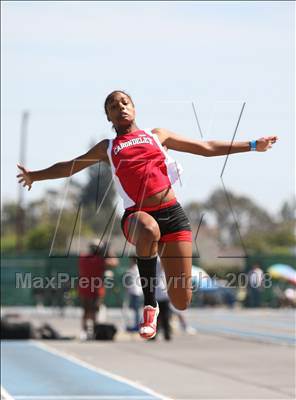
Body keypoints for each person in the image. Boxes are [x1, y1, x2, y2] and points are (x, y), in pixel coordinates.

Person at [17, 90, 278, 340]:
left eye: (124, 102)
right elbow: (70, 166)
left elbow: (206, 147)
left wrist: (253, 144)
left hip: (173, 216)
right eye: (112, 106)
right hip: (137, 216)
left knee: (181, 300)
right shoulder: (107, 148)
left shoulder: (157, 136)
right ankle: (149, 305)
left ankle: (163, 301)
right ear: (108, 117)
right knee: (149, 228)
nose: (120, 107)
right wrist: (35, 176)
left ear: (133, 108)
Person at [78, 241, 118, 340]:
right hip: (96, 289)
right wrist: (108, 252)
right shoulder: (100, 260)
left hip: (84, 288)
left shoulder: (83, 258)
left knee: (86, 311)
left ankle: (84, 331)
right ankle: (93, 331)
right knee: (94, 312)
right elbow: (115, 263)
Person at [124, 256, 143, 331]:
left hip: (135, 291)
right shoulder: (136, 268)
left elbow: (128, 277)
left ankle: (137, 325)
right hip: (135, 291)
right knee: (135, 309)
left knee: (137, 309)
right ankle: (136, 324)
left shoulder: (134, 268)